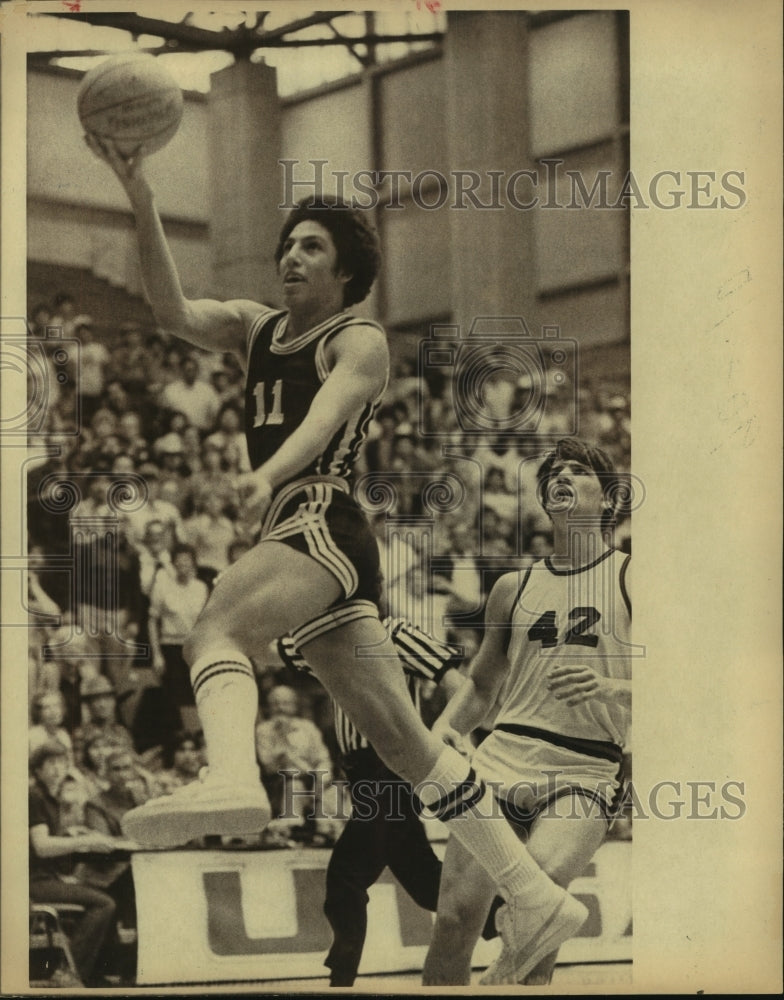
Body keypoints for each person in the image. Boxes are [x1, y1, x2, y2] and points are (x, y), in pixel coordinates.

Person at [87, 135, 585, 975]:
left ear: (346, 270)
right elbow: (170, 311)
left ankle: (232, 777)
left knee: (212, 629)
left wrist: (265, 474)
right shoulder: (255, 328)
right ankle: (536, 899)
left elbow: (324, 424)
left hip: (319, 515)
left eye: (310, 246)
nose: (290, 256)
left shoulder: (360, 341)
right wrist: (138, 192)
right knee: (406, 746)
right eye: (287, 244)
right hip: (312, 542)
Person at [422, 438, 632, 986]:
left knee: (535, 903)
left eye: (579, 470)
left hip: (584, 768)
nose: (561, 476)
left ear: (608, 498)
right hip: (501, 758)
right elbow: (483, 682)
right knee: (453, 920)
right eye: (553, 472)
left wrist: (608, 684)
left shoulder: (635, 577)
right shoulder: (512, 587)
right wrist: (445, 729)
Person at [278, 619, 502, 987]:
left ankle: (341, 981)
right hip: (362, 773)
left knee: (345, 875)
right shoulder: (317, 637)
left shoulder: (395, 632)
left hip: (393, 764)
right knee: (425, 882)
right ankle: (513, 919)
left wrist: (449, 732)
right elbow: (272, 653)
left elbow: (460, 684)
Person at [28, 741, 118, 987]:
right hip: (33, 883)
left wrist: (72, 836)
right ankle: (68, 971)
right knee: (104, 903)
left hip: (48, 877)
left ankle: (96, 974)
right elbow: (42, 846)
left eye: (62, 762)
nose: (58, 769)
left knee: (105, 893)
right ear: (37, 770)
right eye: (50, 764)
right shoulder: (34, 796)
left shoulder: (49, 798)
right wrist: (84, 841)